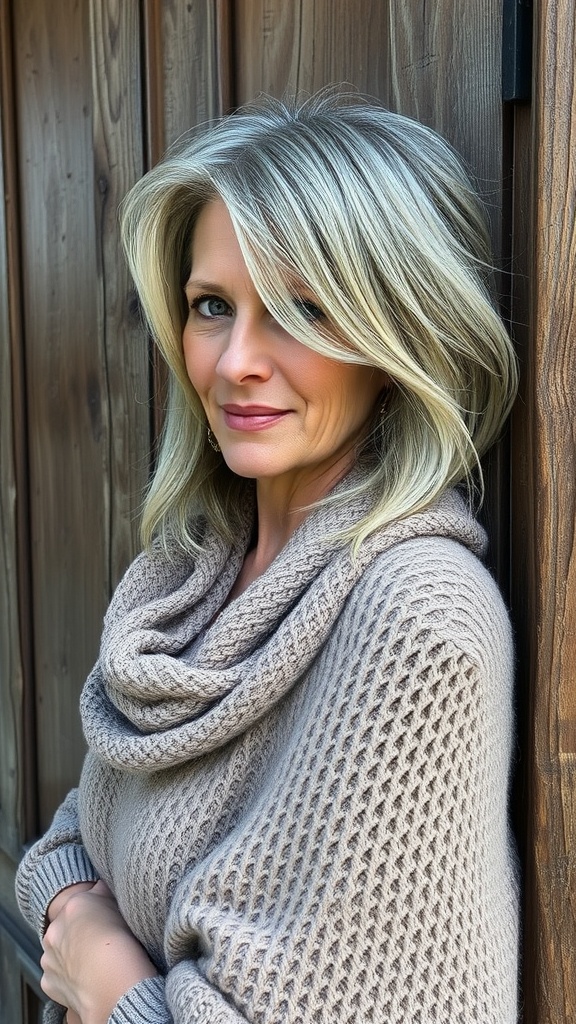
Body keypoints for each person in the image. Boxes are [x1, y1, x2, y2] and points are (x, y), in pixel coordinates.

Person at [16, 91, 520, 1024]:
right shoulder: (192, 574)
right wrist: (73, 908)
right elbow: (77, 837)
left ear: (396, 334)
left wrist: (114, 986)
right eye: (213, 306)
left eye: (300, 309)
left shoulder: (420, 623)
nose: (236, 360)